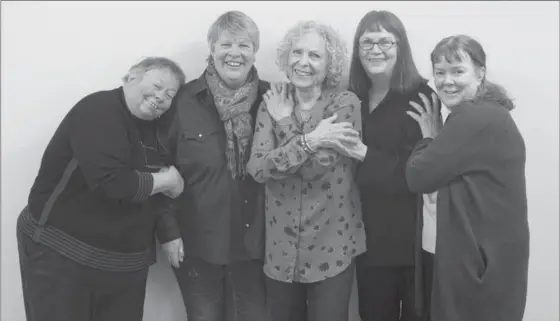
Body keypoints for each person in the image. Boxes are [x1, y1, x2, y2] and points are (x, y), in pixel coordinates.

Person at [16, 57, 187, 321]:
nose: (161, 96)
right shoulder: (98, 109)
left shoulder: (159, 131)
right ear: (131, 77)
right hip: (60, 250)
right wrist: (169, 182)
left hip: (124, 264)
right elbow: (113, 183)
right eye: (157, 85)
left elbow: (155, 195)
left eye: (169, 94)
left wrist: (168, 233)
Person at [247, 20, 366, 321]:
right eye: (297, 53)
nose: (303, 62)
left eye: (315, 55)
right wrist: (312, 139)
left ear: (331, 64)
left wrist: (286, 125)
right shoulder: (273, 101)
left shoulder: (344, 103)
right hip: (280, 251)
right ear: (287, 58)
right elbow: (258, 169)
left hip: (332, 248)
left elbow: (318, 169)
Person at [405, 34, 529, 321]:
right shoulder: (489, 114)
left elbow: (418, 176)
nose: (447, 81)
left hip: (477, 269)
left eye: (457, 71)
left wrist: (427, 139)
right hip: (488, 262)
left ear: (480, 72)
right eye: (440, 73)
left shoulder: (475, 118)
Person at [167, 11, 270, 321]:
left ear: (255, 51)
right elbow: (161, 170)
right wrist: (168, 233)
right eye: (226, 44)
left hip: (257, 247)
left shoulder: (274, 100)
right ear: (211, 48)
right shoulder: (181, 102)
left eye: (244, 45)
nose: (235, 53)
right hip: (198, 246)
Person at [339, 10, 440, 321]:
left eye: (385, 41)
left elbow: (421, 173)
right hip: (365, 236)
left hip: (411, 240)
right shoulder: (350, 96)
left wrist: (364, 153)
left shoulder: (421, 96)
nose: (375, 50)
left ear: (401, 47)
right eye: (367, 42)